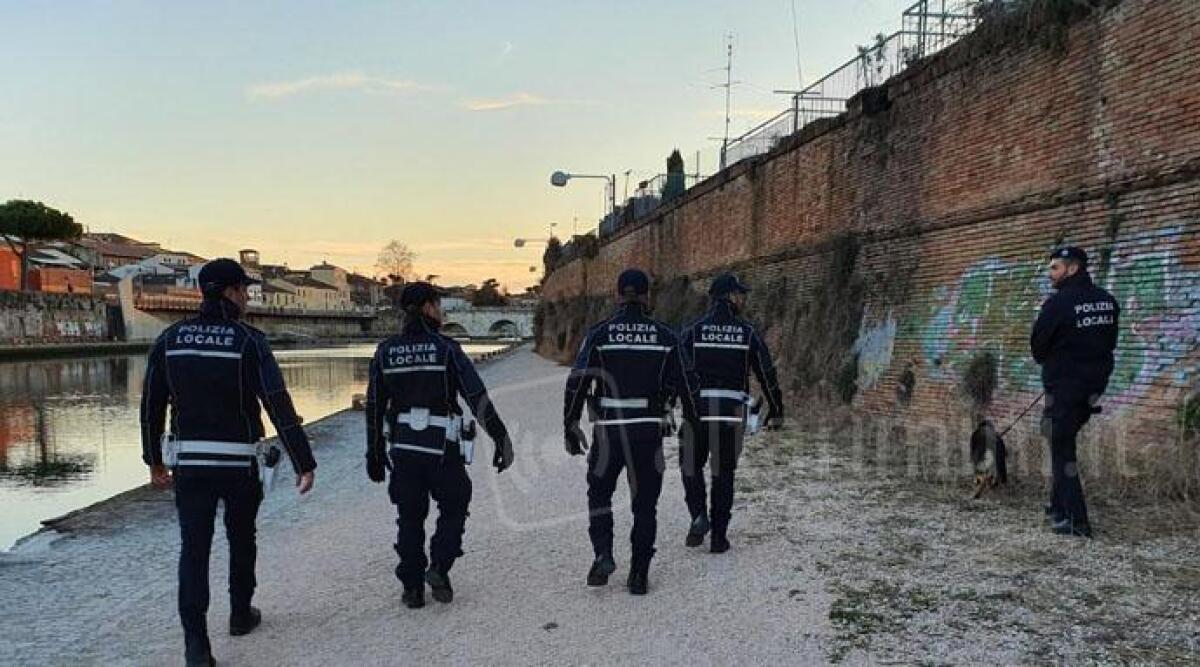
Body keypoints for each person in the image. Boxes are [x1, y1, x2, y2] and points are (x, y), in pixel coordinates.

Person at [140, 258, 316, 667]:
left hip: (191, 464)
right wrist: (302, 460)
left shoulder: (169, 339)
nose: (249, 298)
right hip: (240, 463)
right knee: (242, 537)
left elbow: (151, 406)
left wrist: (154, 461)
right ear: (230, 292)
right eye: (245, 291)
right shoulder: (249, 340)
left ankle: (197, 645)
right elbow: (277, 403)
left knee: (194, 549)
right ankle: (240, 613)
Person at [365, 282, 514, 609]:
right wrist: (501, 438)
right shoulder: (447, 349)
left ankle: (412, 589)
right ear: (429, 308)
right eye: (439, 305)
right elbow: (476, 397)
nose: (442, 312)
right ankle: (440, 566)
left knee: (409, 516)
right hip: (441, 447)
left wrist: (374, 453)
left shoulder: (385, 351)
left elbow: (374, 407)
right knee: (455, 503)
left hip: (403, 448)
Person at [563, 268, 699, 595]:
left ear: (617, 296)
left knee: (599, 494)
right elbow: (688, 385)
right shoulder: (667, 336)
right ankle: (638, 574)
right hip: (647, 432)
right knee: (644, 505)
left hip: (609, 431)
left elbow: (577, 381)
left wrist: (569, 424)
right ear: (647, 296)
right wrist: (692, 426)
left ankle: (603, 554)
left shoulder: (599, 334)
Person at [678, 272, 784, 552]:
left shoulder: (692, 330)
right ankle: (719, 538)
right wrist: (776, 408)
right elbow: (767, 374)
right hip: (730, 415)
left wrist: (668, 405)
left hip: (697, 413)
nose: (744, 298)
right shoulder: (747, 332)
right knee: (723, 474)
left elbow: (675, 372)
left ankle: (699, 515)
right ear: (728, 297)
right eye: (740, 294)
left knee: (690, 467)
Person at [1030, 246, 1119, 538]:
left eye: (1055, 267)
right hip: (1093, 387)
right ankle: (1058, 504)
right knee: (1058, 438)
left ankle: (1076, 520)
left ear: (1072, 268)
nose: (1050, 274)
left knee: (1061, 448)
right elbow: (1109, 343)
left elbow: (1038, 348)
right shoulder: (1107, 301)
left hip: (1065, 386)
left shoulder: (1057, 304)